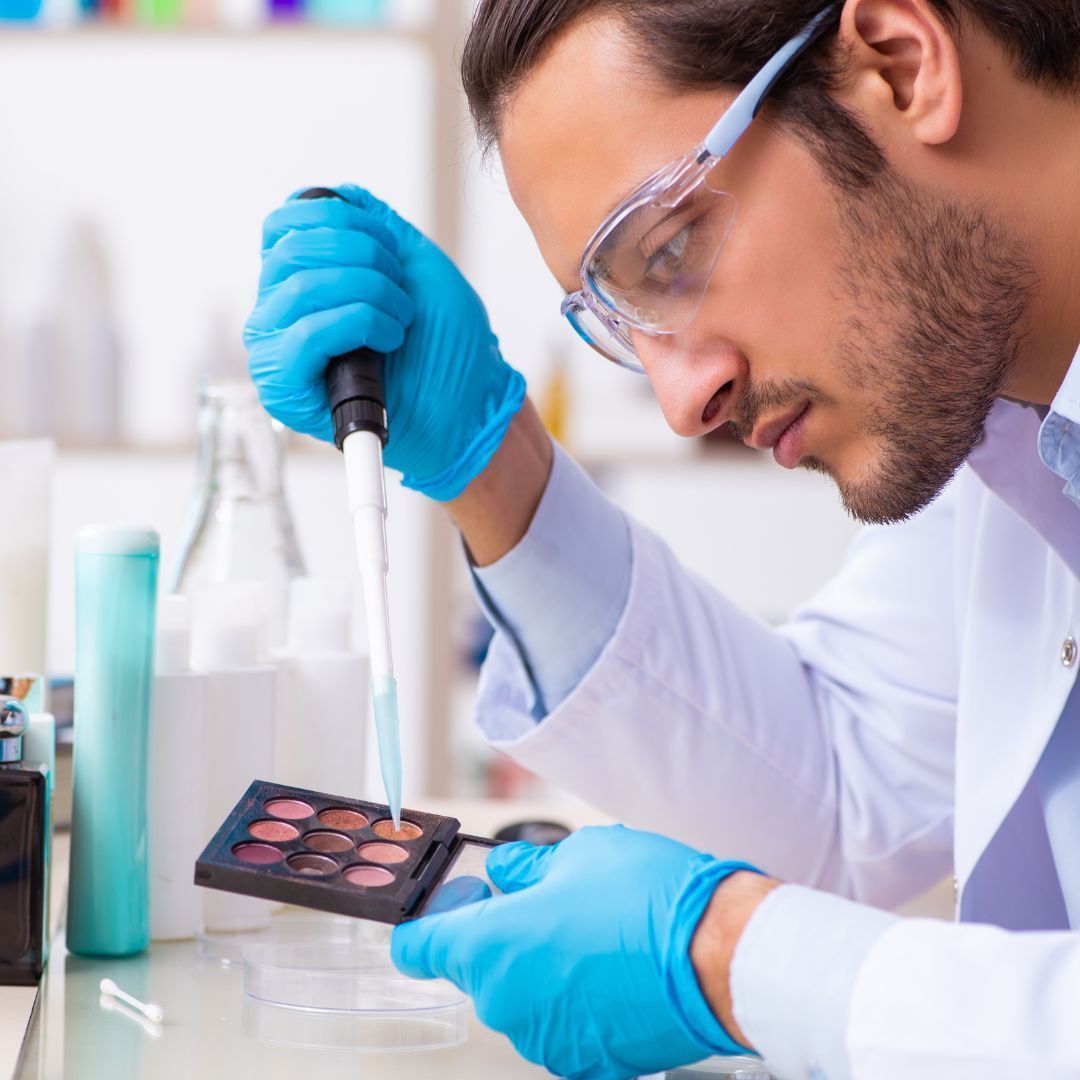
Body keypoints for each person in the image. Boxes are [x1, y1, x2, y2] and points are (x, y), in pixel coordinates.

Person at [243, 0, 1080, 1076]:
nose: (685, 402)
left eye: (671, 248)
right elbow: (839, 793)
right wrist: (486, 462)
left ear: (900, 63)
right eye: (620, 320)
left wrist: (726, 954)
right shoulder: (1006, 429)